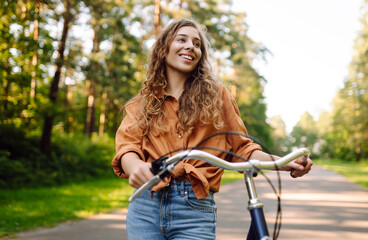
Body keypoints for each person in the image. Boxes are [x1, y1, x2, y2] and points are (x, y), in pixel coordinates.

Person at [112, 18, 313, 240]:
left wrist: (283, 163)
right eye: (182, 39)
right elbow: (127, 148)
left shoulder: (217, 96)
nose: (191, 46)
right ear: (163, 49)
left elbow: (242, 149)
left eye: (197, 44)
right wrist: (137, 167)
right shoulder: (141, 103)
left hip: (195, 209)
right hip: (146, 206)